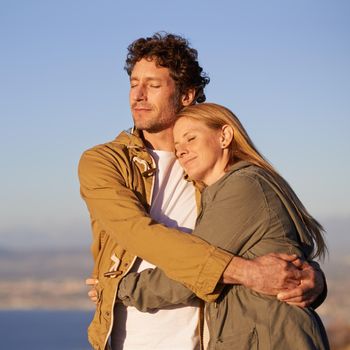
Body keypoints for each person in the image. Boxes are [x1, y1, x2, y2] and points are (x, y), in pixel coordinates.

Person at [78, 33, 326, 350]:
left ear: (186, 95)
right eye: (133, 83)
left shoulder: (214, 171)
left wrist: (311, 278)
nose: (138, 95)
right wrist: (248, 273)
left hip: (209, 339)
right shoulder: (104, 161)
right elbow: (138, 233)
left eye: (153, 85)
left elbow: (270, 240)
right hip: (132, 340)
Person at [117, 103, 330, 349]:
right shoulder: (230, 190)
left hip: (272, 338)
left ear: (225, 136)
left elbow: (192, 272)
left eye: (190, 139)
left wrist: (119, 288)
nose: (181, 152)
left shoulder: (243, 187)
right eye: (176, 146)